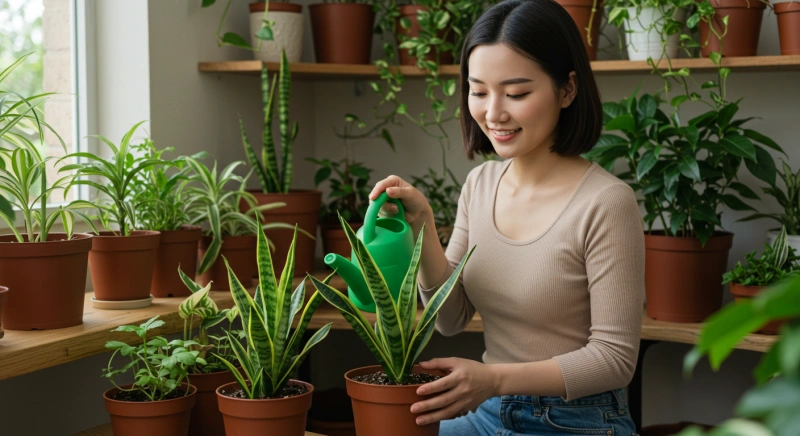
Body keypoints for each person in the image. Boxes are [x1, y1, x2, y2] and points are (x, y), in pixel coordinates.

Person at [367, 0, 645, 434]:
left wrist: (493, 378)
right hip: (488, 412)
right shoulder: (480, 186)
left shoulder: (606, 202)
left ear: (567, 90)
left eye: (516, 93)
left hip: (578, 419)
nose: (493, 113)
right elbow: (450, 317)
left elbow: (615, 359)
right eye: (478, 91)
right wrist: (423, 227)